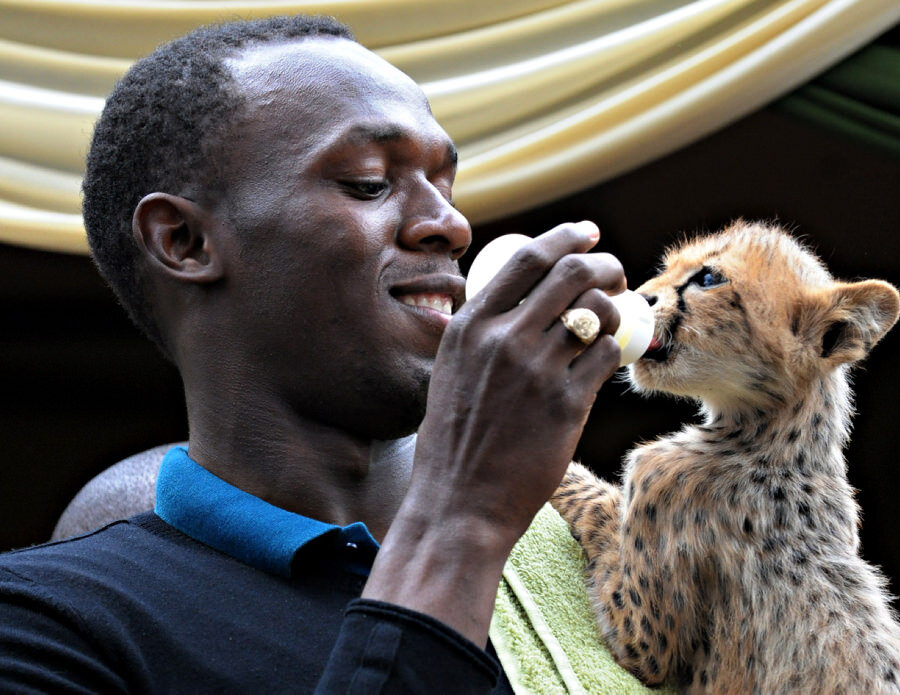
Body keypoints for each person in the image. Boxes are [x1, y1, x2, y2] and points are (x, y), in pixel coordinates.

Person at [0, 14, 626, 693]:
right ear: (183, 240)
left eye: (444, 184)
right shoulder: (44, 627)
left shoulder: (600, 562)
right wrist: (460, 522)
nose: (451, 224)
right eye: (367, 182)